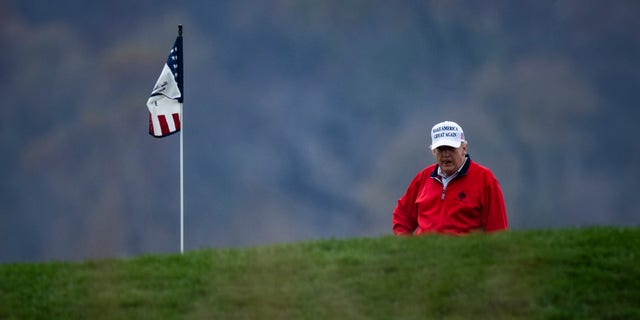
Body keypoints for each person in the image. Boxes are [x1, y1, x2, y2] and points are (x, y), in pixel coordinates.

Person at [392, 120, 508, 235]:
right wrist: (406, 247)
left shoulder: (485, 179)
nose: (446, 154)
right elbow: (402, 215)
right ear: (433, 151)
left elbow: (497, 230)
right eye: (441, 149)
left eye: (451, 149)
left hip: (464, 252)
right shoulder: (423, 177)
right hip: (425, 252)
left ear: (464, 148)